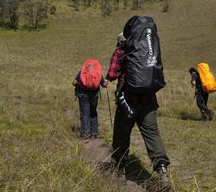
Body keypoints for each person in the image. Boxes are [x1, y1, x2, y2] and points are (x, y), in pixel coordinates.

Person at [107, 32, 171, 190]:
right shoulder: (148, 51)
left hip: (127, 102)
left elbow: (112, 74)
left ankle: (119, 169)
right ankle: (162, 172)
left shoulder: (121, 52)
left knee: (121, 134)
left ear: (120, 42)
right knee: (152, 135)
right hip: (149, 101)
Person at [72, 68, 108, 139]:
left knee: (85, 114)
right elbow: (104, 84)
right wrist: (106, 82)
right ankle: (94, 133)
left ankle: (85, 134)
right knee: (93, 112)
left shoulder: (82, 72)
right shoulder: (98, 73)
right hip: (94, 95)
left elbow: (74, 83)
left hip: (83, 94)